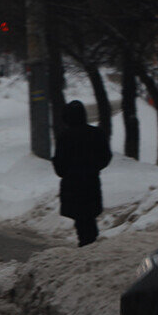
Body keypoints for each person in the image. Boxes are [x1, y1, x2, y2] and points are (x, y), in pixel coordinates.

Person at [52, 100, 112, 246]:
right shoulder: (96, 133)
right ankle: (90, 243)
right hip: (91, 182)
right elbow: (106, 156)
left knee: (81, 219)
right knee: (89, 217)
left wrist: (67, 172)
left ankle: (87, 246)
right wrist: (93, 168)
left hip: (72, 185)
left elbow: (59, 164)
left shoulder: (64, 137)